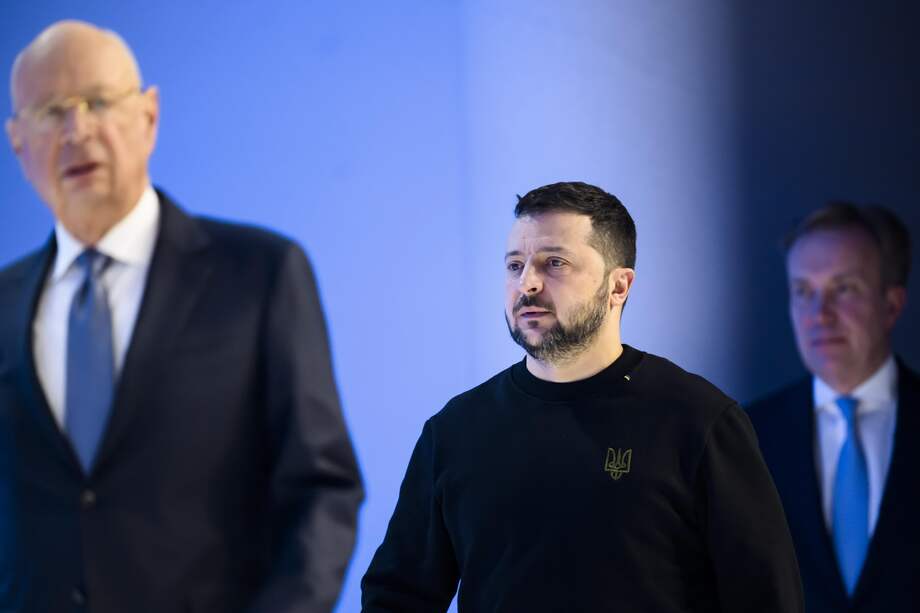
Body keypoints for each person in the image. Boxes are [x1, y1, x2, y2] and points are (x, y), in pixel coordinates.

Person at [0, 20, 362, 613]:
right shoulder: (6, 302)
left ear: (149, 116)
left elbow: (322, 491)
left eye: (97, 102)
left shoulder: (261, 274)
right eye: (50, 111)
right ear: (17, 142)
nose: (76, 131)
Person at [361, 181, 803, 612]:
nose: (527, 284)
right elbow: (398, 598)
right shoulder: (456, 430)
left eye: (554, 263)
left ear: (618, 286)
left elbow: (766, 598)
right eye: (515, 265)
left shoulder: (698, 420)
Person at [747, 203, 918, 612]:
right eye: (803, 292)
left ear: (891, 305)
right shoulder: (746, 438)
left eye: (844, 289)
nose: (819, 315)